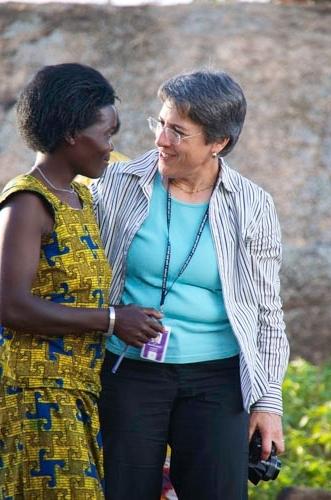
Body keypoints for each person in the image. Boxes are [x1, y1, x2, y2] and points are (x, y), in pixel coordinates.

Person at [92, 70, 290, 500]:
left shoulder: (252, 204)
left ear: (218, 142)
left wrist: (268, 401)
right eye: (160, 123)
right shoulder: (116, 183)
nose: (161, 139)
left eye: (178, 131)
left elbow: (266, 311)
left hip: (218, 378)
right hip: (129, 371)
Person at [0, 63, 163, 498]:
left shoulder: (82, 198)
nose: (111, 147)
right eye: (107, 133)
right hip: (36, 394)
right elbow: (10, 305)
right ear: (72, 133)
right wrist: (112, 320)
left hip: (79, 391)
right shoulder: (28, 203)